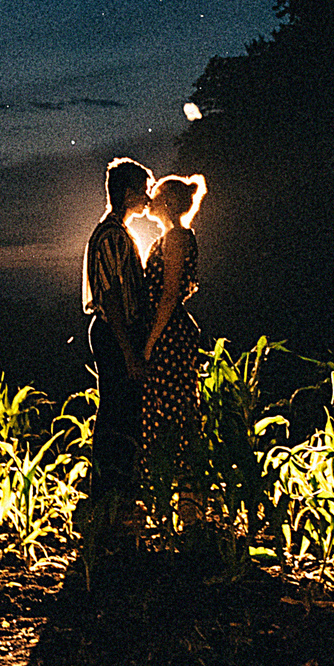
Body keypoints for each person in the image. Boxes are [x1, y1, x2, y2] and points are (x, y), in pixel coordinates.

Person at [82, 157, 153, 525]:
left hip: (115, 332)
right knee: (116, 411)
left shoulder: (116, 233)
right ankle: (110, 495)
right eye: (143, 190)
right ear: (128, 193)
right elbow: (110, 297)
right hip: (114, 333)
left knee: (118, 410)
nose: (148, 198)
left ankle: (114, 494)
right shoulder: (111, 236)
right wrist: (130, 353)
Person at [139, 172, 207, 500]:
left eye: (155, 191)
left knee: (173, 413)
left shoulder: (177, 238)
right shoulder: (169, 236)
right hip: (167, 332)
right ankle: (170, 499)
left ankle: (189, 503)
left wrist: (150, 342)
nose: (148, 196)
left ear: (166, 201)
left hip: (170, 335)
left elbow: (168, 296)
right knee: (164, 411)